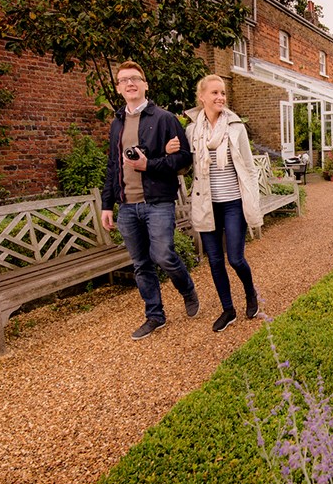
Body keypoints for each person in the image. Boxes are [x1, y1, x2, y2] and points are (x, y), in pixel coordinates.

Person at [100, 61, 200, 341]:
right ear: (118, 88)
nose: (130, 83)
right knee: (141, 264)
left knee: (164, 255)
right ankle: (155, 315)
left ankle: (187, 289)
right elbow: (113, 166)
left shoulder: (165, 118)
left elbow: (184, 159)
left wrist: (150, 165)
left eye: (135, 78)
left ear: (145, 84)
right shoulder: (117, 124)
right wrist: (107, 205)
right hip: (127, 206)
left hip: (158, 202)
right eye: (124, 80)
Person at [167, 74, 262, 332]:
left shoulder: (236, 127)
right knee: (215, 261)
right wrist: (171, 152)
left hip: (233, 203)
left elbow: (249, 169)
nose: (220, 97)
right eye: (215, 93)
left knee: (236, 258)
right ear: (202, 97)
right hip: (206, 205)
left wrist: (252, 200)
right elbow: (184, 167)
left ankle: (250, 293)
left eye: (223, 93)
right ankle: (228, 310)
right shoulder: (191, 131)